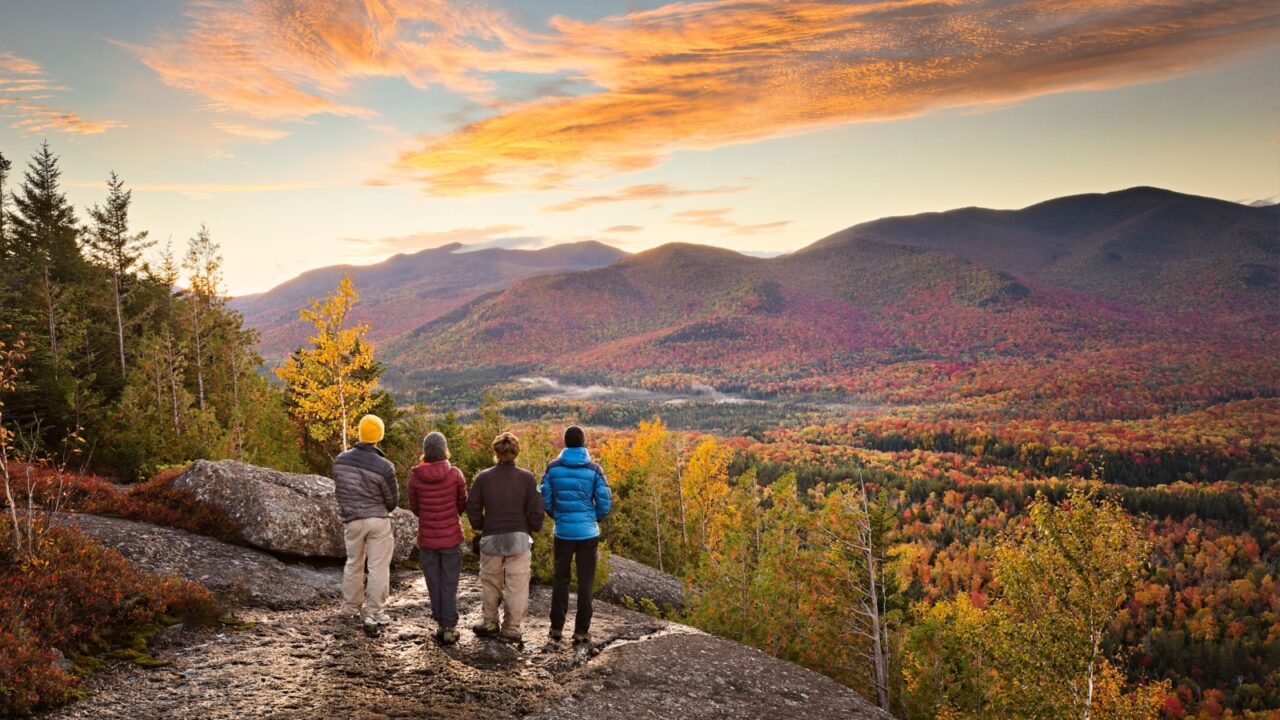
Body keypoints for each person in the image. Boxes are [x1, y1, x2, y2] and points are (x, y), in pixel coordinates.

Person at [466, 432, 544, 643]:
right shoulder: (527, 478)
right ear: (516, 452)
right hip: (518, 538)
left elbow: (472, 506)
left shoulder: (483, 477)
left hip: (491, 537)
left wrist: (480, 525)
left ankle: (490, 622)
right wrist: (532, 528)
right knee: (516, 585)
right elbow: (537, 509)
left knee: (491, 582)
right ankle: (511, 628)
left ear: (496, 452)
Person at [541, 425, 612, 644]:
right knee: (585, 581)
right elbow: (605, 501)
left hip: (563, 532)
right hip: (587, 534)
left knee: (560, 579)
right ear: (583, 443)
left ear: (565, 443)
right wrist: (594, 519)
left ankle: (556, 628)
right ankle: (581, 631)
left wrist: (557, 515)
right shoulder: (594, 469)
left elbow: (545, 497)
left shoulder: (552, 468)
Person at [333, 414, 399, 635]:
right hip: (378, 520)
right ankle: (374, 612)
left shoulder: (340, 460)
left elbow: (340, 490)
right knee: (378, 567)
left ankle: (350, 607)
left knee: (353, 563)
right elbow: (392, 501)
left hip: (351, 520)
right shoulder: (384, 466)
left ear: (360, 433)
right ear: (379, 435)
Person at [407, 431, 467, 645]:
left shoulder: (415, 477)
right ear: (444, 450)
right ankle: (449, 626)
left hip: (427, 539)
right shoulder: (455, 474)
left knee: (434, 582)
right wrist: (451, 517)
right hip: (451, 537)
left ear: (425, 452)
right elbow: (462, 504)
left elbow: (415, 508)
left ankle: (441, 622)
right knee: (449, 582)